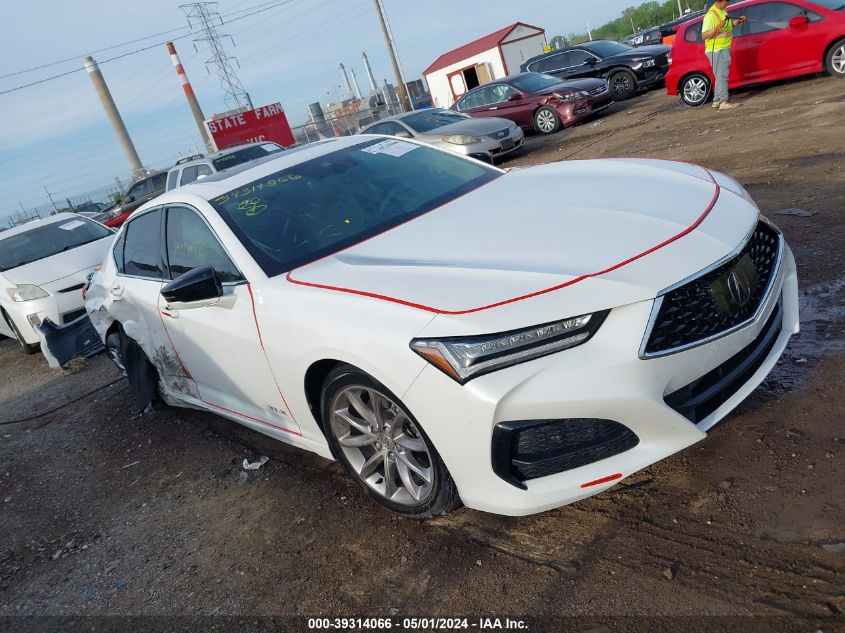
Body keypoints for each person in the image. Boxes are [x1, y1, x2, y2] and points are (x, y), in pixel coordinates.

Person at [701, 0, 747, 110]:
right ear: (722, 1)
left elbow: (728, 25)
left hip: (724, 47)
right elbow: (704, 35)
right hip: (716, 50)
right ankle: (724, 102)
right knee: (722, 76)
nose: (728, 3)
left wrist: (738, 21)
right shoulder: (710, 15)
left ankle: (717, 100)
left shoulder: (722, 11)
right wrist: (716, 27)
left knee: (720, 76)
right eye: (727, 1)